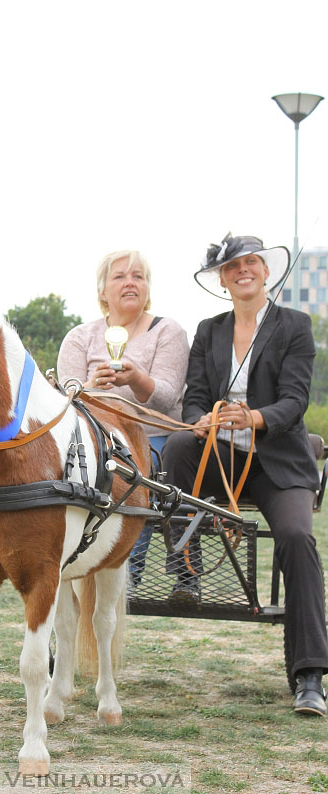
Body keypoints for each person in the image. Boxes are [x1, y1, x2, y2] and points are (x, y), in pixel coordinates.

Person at [162, 233, 328, 716]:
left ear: (265, 271)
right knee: (176, 444)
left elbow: (296, 400)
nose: (243, 271)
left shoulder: (295, 325)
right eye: (232, 266)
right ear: (222, 278)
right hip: (221, 458)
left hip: (279, 461)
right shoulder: (208, 330)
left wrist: (253, 418)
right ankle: (184, 572)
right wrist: (199, 418)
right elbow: (195, 395)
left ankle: (309, 675)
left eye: (251, 262)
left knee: (297, 538)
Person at [57, 249, 189, 585]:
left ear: (147, 288)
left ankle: (125, 566)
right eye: (120, 277)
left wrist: (137, 379)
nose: (130, 283)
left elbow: (169, 396)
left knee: (130, 476)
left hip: (151, 438)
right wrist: (88, 386)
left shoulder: (167, 331)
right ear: (103, 291)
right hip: (92, 439)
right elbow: (65, 397)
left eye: (138, 276)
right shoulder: (79, 337)